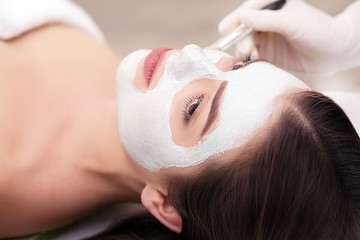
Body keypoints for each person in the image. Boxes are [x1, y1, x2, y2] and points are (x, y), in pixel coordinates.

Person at [0, 1, 359, 240]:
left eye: (193, 108)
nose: (192, 54)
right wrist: (348, 41)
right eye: (240, 65)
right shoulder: (134, 97)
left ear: (165, 205)